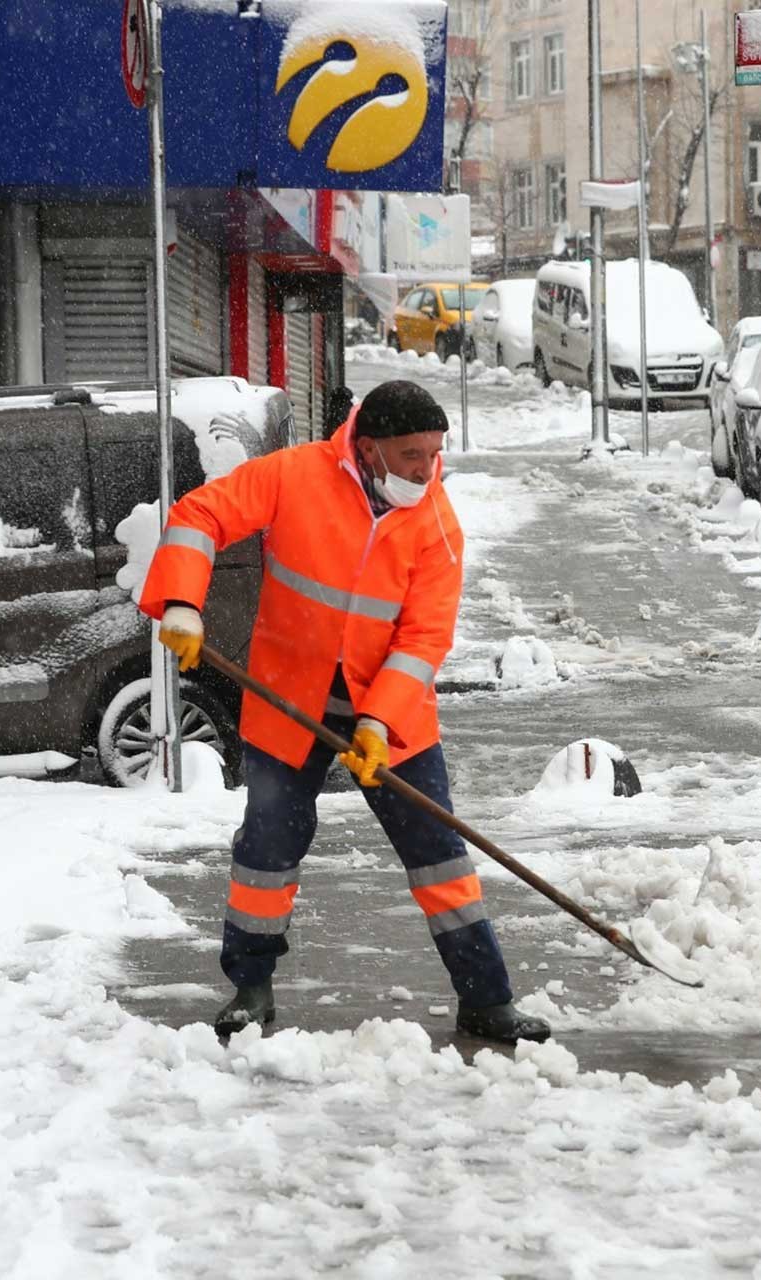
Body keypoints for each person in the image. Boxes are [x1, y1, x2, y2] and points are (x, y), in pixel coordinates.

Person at [137, 379, 550, 1044]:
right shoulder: (296, 475)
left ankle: (487, 998)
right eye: (412, 453)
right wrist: (183, 602)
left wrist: (378, 723)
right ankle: (251, 987)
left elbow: (423, 640)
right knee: (267, 849)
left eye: (435, 452)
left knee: (438, 854)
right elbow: (198, 515)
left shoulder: (435, 523)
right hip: (288, 698)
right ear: (370, 446)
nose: (427, 467)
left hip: (388, 715)